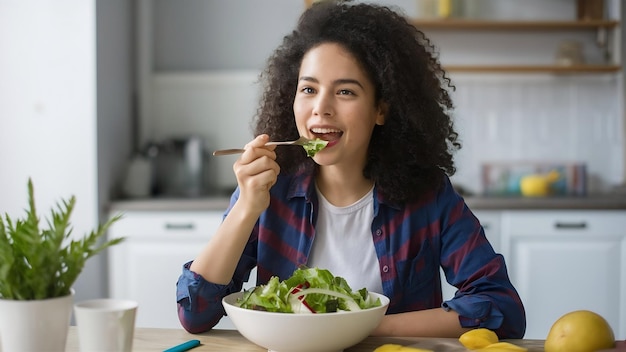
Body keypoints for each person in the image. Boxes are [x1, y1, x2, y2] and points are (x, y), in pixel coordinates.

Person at [176, 0, 526, 338]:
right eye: (309, 89)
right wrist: (246, 208)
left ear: (381, 110)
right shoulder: (269, 189)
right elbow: (196, 314)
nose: (321, 108)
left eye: (345, 91)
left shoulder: (429, 194)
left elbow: (501, 308)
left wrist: (363, 325)